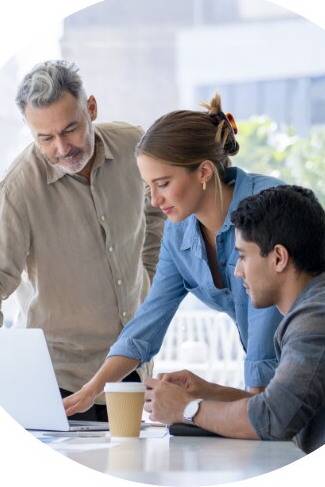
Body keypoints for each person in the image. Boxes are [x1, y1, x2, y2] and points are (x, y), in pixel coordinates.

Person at [0, 60, 164, 421]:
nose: (62, 148)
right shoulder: (19, 189)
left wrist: (147, 273)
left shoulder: (134, 144)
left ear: (92, 109)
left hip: (131, 369)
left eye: (70, 129)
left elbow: (157, 209)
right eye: (45, 138)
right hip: (60, 383)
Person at [63, 93, 285, 416]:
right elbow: (146, 324)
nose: (154, 201)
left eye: (163, 184)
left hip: (314, 374)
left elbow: (265, 371)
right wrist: (91, 390)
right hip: (276, 393)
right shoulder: (179, 233)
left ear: (205, 172)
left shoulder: (268, 206)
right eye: (148, 187)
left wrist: (198, 408)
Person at [143, 185, 325, 454]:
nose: (238, 272)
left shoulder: (323, 316)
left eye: (243, 256)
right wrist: (206, 392)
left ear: (279, 257)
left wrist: (187, 409)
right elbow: (282, 406)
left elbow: (274, 419)